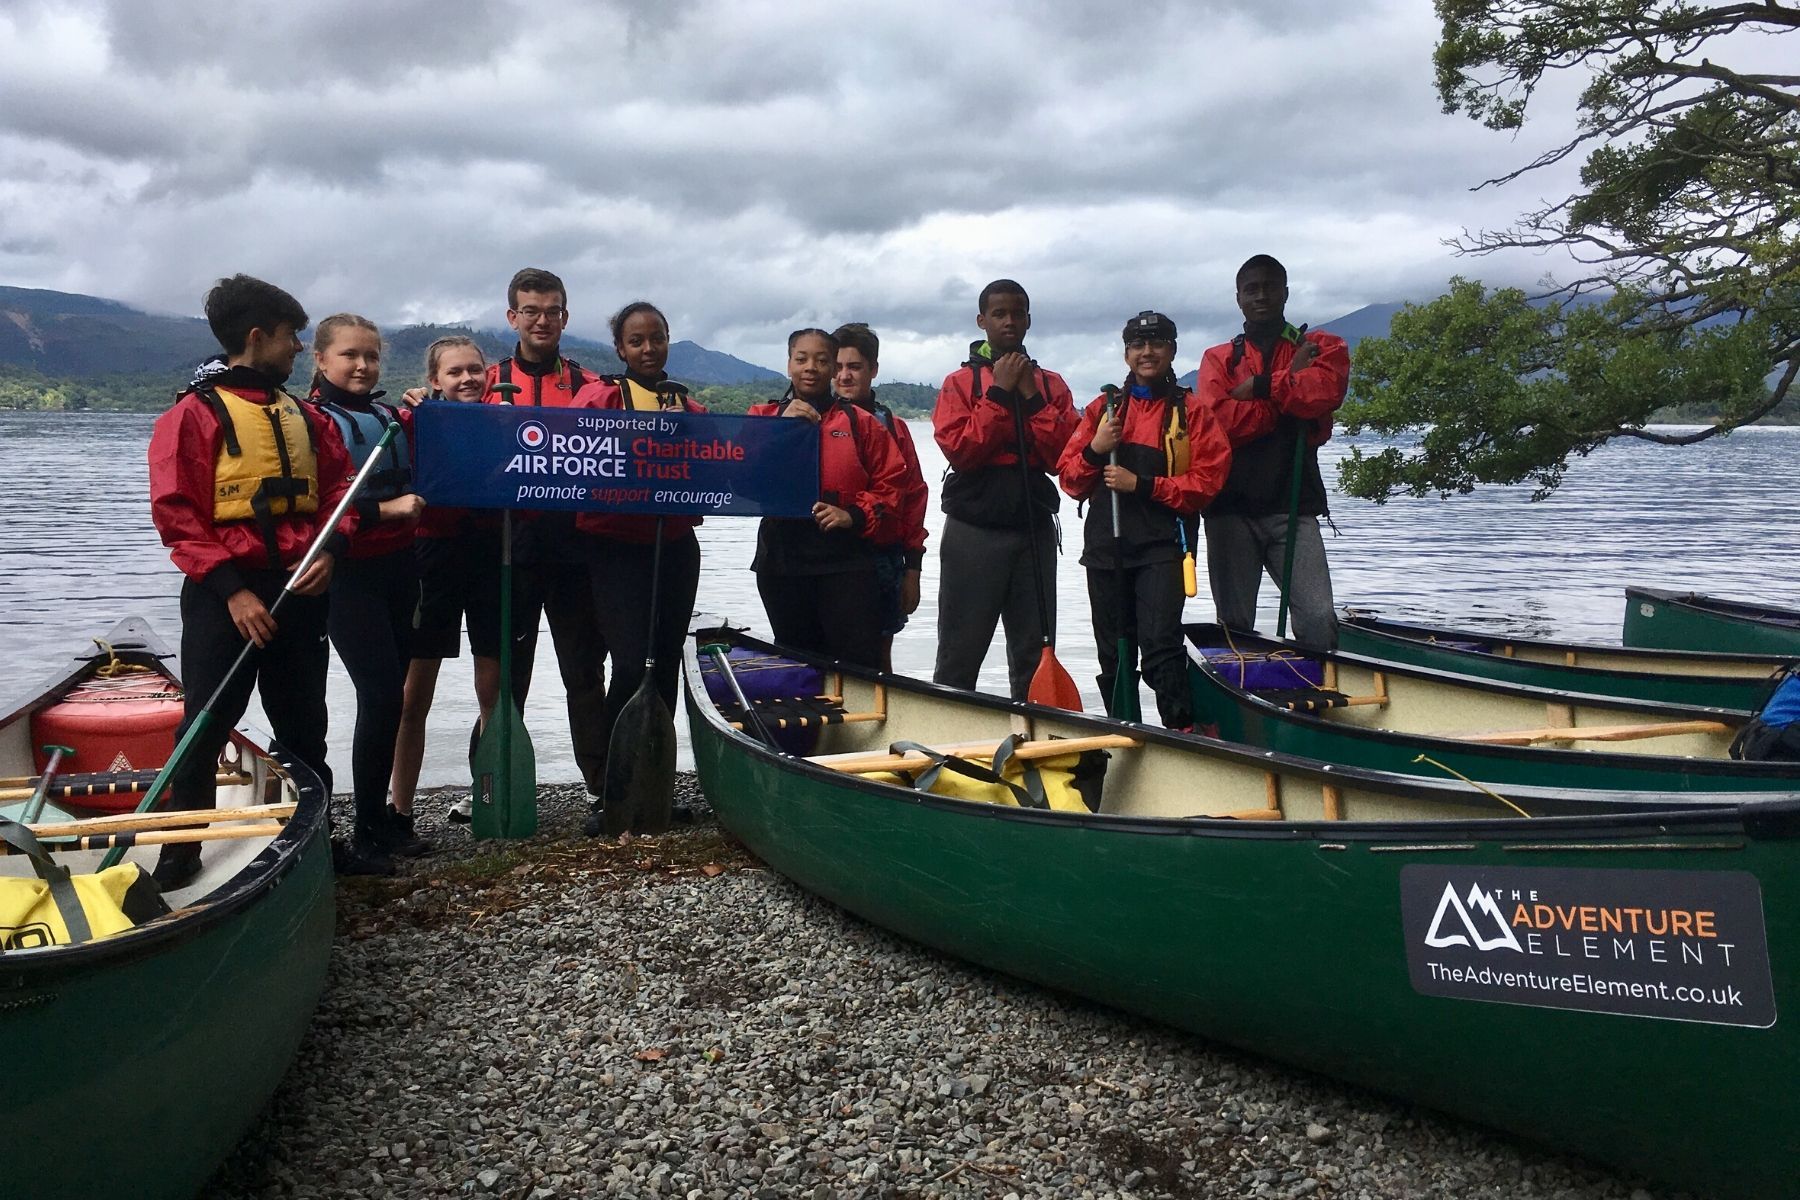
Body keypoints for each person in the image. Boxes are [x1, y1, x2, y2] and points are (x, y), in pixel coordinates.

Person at [146, 274, 356, 889]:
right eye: (292, 337)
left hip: (299, 588)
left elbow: (341, 488)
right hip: (225, 595)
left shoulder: (307, 418)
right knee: (208, 721)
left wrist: (333, 549)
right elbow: (177, 514)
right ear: (258, 337)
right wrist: (233, 590)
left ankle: (315, 840)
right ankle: (181, 850)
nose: (298, 348)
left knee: (304, 724)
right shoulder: (192, 416)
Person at [1058, 312, 1233, 728]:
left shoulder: (1192, 413)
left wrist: (1143, 485)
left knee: (1160, 647)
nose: (1147, 352)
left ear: (1172, 350)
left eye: (1156, 343)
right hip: (1107, 549)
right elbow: (1070, 480)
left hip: (1162, 547)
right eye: (1138, 345)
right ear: (1126, 354)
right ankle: (1122, 729)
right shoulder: (1103, 409)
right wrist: (1096, 448)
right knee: (1113, 653)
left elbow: (1207, 483)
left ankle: (1182, 727)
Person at [571, 301, 706, 835]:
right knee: (630, 663)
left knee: (665, 662)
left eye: (657, 338)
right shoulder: (599, 397)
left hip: (673, 544)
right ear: (620, 349)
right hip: (615, 546)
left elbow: (720, 454)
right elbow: (576, 450)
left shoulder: (687, 405)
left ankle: (654, 788)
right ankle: (611, 790)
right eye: (636, 341)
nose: (648, 349)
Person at [307, 314, 428, 873]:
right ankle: (361, 833)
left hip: (399, 569)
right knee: (380, 695)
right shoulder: (309, 422)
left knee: (393, 698)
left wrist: (431, 405)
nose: (362, 366)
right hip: (349, 575)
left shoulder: (387, 417)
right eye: (350, 355)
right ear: (321, 359)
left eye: (372, 356)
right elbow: (308, 507)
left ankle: (378, 821)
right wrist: (382, 510)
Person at [486, 268, 609, 798]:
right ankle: (490, 784)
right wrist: (423, 402)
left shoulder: (591, 387)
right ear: (512, 317)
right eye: (530, 311)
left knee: (583, 674)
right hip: (508, 552)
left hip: (575, 553)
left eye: (552, 310)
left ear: (565, 316)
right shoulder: (484, 384)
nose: (542, 320)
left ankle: (600, 782)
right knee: (507, 678)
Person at [1195, 254, 1351, 650]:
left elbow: (1325, 393)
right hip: (1230, 509)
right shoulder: (1218, 358)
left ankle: (1320, 694)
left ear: (1285, 292)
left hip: (1294, 506)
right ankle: (1238, 699)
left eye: (1269, 287)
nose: (1261, 295)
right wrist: (1288, 392)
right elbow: (1220, 422)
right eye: (1252, 289)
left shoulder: (1319, 346)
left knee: (1318, 618)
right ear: (1238, 298)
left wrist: (1261, 387)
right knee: (1234, 625)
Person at [931, 279, 1077, 699]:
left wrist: (1030, 395)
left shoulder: (1050, 384)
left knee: (1035, 651)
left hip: (1032, 529)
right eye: (999, 314)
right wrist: (998, 392)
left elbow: (1062, 457)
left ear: (1028, 319)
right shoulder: (959, 384)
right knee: (960, 650)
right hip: (973, 531)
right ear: (982, 321)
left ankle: (1034, 740)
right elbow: (961, 452)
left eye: (1017, 313)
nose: (1009, 321)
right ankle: (949, 736)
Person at [390, 335, 509, 833]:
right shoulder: (413, 421)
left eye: (474, 371)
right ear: (434, 380)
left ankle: (492, 798)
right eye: (455, 372)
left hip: (488, 558)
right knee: (414, 694)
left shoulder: (503, 424)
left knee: (493, 690)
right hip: (430, 559)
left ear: (489, 376)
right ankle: (400, 811)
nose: (467, 379)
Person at [749, 328, 908, 669]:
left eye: (822, 361)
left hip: (846, 560)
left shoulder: (861, 423)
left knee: (858, 665)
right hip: (782, 560)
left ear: (833, 369)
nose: (811, 368)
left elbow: (893, 484)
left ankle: (856, 720)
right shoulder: (762, 418)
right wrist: (780, 432)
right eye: (801, 359)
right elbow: (742, 479)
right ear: (789, 364)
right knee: (797, 663)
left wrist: (854, 514)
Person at [831, 322, 928, 669]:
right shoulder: (810, 420)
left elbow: (914, 499)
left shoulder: (894, 427)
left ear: (873, 370)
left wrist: (913, 570)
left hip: (881, 559)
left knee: (877, 656)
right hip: (825, 556)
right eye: (837, 366)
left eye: (854, 367)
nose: (844, 376)